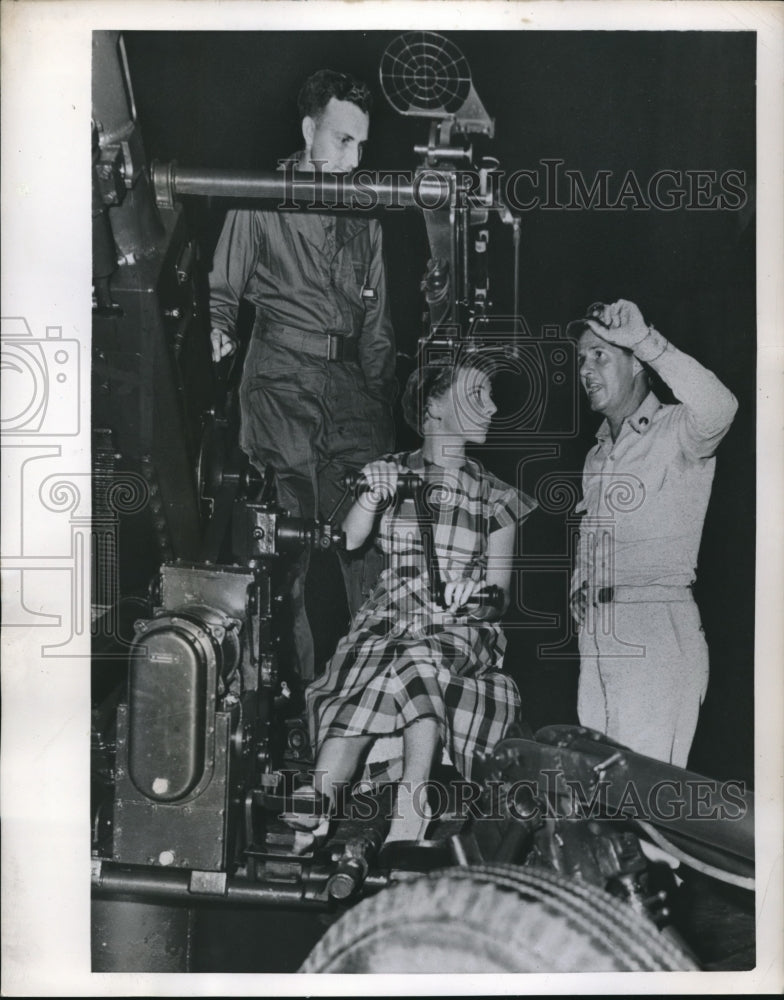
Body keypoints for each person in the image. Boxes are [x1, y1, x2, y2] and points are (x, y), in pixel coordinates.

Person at [289, 357, 536, 850]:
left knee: (419, 658)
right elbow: (350, 540)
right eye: (476, 394)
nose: (492, 406)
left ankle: (412, 804)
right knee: (381, 667)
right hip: (388, 620)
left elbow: (500, 596)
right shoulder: (392, 473)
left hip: (458, 630)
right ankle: (319, 799)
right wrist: (371, 496)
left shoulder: (498, 498)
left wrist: (478, 596)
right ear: (432, 411)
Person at [208, 69, 396, 683]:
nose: (354, 158)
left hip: (349, 393)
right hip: (280, 380)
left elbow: (378, 324)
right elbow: (221, 289)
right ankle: (256, 699)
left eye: (362, 145)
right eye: (343, 141)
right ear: (310, 130)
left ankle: (367, 727)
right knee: (275, 554)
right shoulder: (262, 194)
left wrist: (384, 402)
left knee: (370, 553)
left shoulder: (364, 212)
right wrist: (217, 329)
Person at [568, 299, 738, 767]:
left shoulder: (677, 429)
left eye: (600, 354)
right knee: (601, 806)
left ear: (636, 362)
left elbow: (722, 406)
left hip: (655, 632)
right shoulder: (597, 454)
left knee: (642, 803)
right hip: (599, 638)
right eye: (582, 358)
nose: (585, 368)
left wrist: (648, 340)